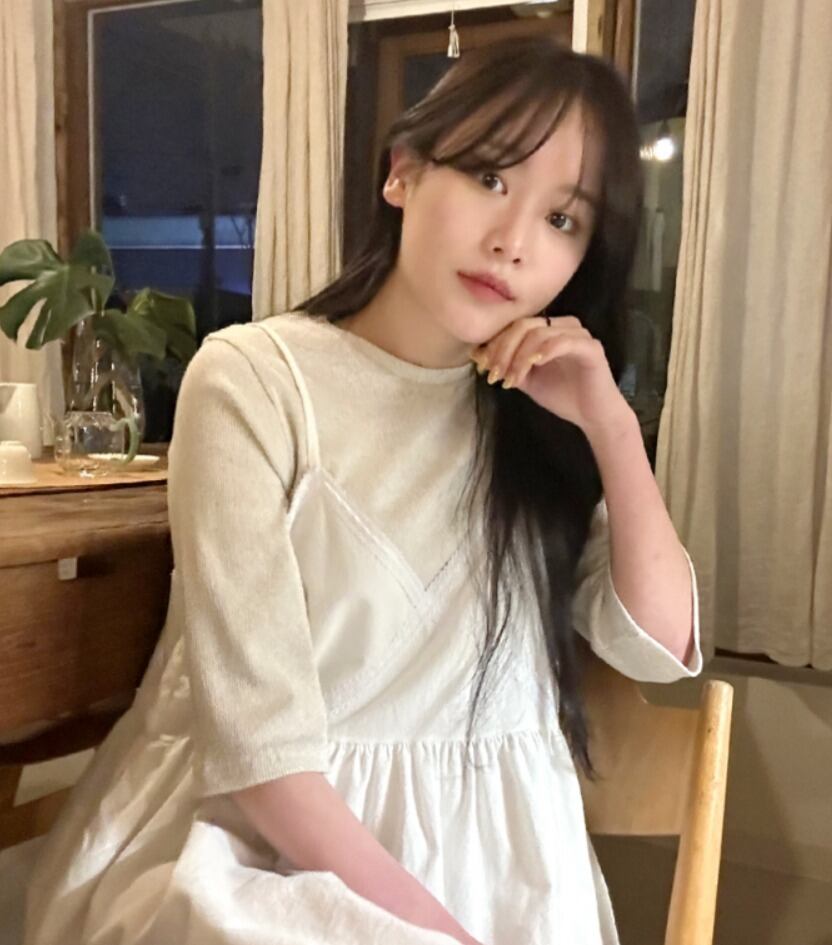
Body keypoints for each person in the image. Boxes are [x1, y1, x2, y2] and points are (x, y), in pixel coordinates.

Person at [24, 35, 701, 945]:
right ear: (403, 173)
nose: (512, 242)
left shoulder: (542, 423)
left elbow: (658, 643)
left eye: (562, 219)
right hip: (269, 854)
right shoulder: (255, 379)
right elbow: (265, 762)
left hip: (504, 872)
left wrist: (611, 425)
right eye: (491, 177)